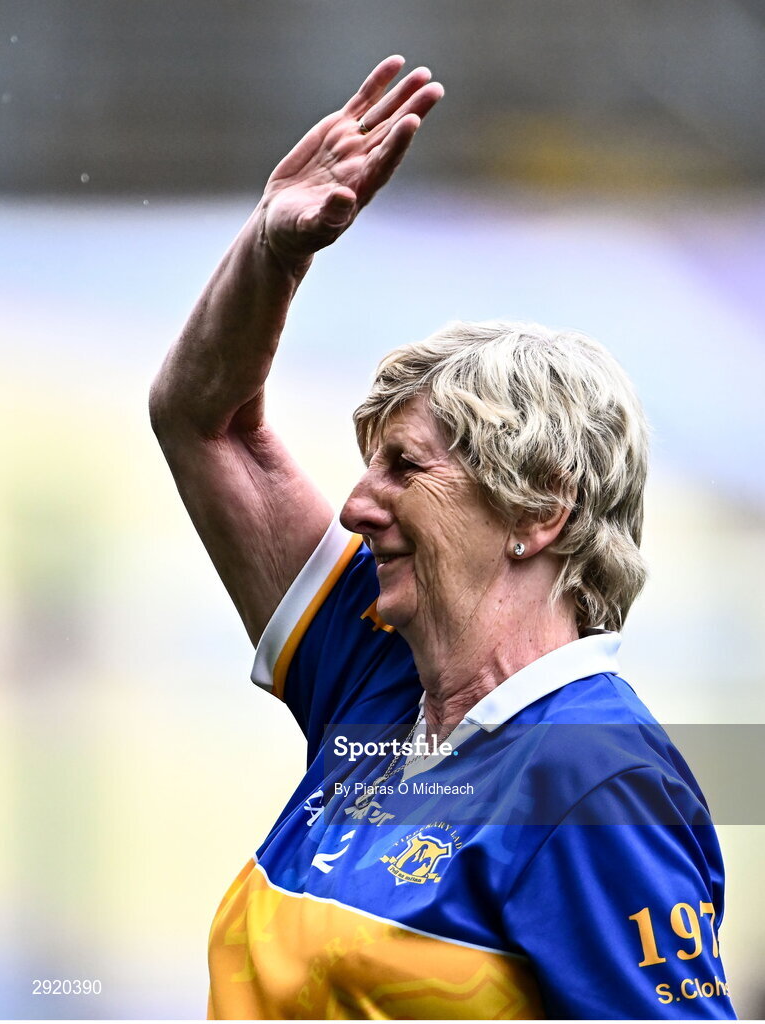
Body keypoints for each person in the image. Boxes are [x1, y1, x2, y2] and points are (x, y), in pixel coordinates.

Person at [150, 56, 736, 1020]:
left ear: (539, 508)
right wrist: (272, 253)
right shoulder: (377, 682)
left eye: (405, 470)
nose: (353, 507)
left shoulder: (591, 776)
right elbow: (202, 420)